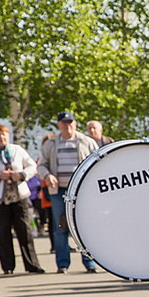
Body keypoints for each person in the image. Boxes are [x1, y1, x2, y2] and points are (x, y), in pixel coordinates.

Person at [37, 111, 99, 274]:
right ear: (59, 125)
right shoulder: (50, 144)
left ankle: (90, 262)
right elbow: (41, 165)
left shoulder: (87, 142)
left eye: (70, 122)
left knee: (85, 226)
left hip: (82, 191)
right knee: (60, 226)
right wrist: (47, 175)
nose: (67, 125)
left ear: (75, 123)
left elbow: (98, 163)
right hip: (58, 191)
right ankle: (62, 263)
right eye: (64, 122)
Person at [0, 124, 44, 274]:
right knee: (3, 232)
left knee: (25, 231)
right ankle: (8, 266)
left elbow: (32, 166)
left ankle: (32, 264)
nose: (2, 137)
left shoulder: (17, 150)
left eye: (4, 134)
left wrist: (22, 175)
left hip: (19, 196)